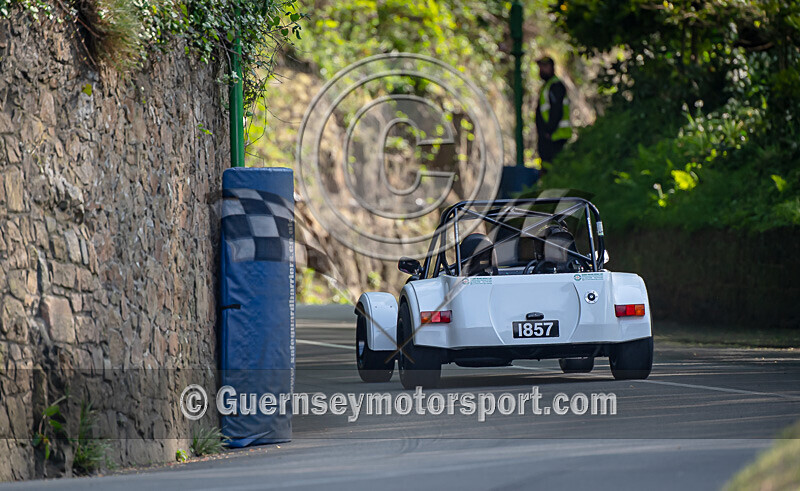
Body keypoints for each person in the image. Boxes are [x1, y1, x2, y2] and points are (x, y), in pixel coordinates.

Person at [535, 56, 572, 163]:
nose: (542, 70)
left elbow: (556, 110)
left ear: (552, 67)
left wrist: (549, 131)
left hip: (556, 136)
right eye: (540, 67)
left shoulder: (555, 85)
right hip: (550, 137)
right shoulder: (547, 86)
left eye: (545, 66)